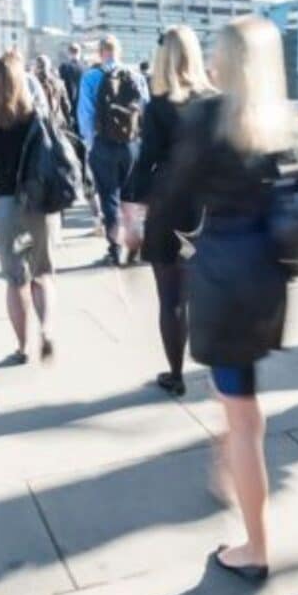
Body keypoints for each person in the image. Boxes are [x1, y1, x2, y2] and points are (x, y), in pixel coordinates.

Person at [157, 15, 298, 580]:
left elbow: (174, 195)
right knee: (240, 401)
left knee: (243, 415)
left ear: (225, 60)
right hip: (268, 281)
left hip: (223, 280)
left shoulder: (207, 116)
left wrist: (157, 248)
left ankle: (255, 547)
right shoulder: (285, 121)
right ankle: (227, 469)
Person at [130, 25, 217, 397]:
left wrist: (129, 210)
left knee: (171, 298)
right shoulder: (214, 102)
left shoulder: (158, 106)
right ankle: (219, 369)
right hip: (207, 210)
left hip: (168, 210)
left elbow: (146, 161)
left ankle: (176, 375)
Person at [0, 51, 57, 363]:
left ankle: (22, 348)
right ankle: (47, 330)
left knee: (17, 279)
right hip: (40, 206)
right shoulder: (36, 116)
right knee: (42, 273)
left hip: (7, 207)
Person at [77, 34, 150, 266]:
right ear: (119, 51)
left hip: (103, 145)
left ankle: (114, 249)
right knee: (130, 196)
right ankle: (135, 245)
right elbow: (145, 108)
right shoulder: (136, 76)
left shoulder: (91, 77)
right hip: (131, 144)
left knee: (108, 196)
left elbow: (85, 114)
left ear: (100, 53)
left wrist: (90, 143)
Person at [59, 43, 102, 233]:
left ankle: (58, 217)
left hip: (66, 126)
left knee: (61, 166)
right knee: (86, 171)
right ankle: (95, 214)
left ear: (69, 52)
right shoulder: (85, 70)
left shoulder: (63, 69)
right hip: (82, 124)